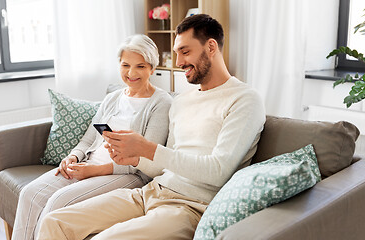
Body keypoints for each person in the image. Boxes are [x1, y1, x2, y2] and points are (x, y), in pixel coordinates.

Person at [36, 14, 266, 240]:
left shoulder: (244, 99)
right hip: (151, 192)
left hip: (190, 207)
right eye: (177, 53)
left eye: (185, 52)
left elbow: (218, 172)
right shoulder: (183, 101)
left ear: (211, 47)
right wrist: (134, 158)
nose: (179, 63)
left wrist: (147, 148)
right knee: (55, 222)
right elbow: (165, 167)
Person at [11, 34, 173, 240]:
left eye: (140, 66)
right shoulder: (112, 98)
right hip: (88, 163)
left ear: (152, 68)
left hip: (127, 175)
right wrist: (73, 157)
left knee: (58, 203)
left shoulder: (161, 103)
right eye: (125, 65)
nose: (131, 73)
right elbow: (88, 140)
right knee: (30, 193)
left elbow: (147, 159)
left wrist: (94, 171)